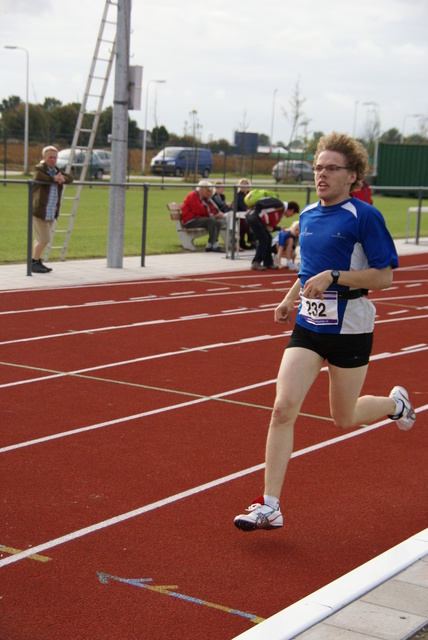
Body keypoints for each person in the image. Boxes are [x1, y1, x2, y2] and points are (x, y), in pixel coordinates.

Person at [234, 131, 416, 532]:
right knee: (282, 409)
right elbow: (307, 271)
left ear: (353, 176)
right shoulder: (310, 217)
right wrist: (289, 297)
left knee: (344, 417)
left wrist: (335, 276)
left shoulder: (364, 216)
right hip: (308, 326)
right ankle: (269, 505)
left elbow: (384, 277)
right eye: (318, 167)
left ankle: (393, 405)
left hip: (350, 328)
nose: (322, 174)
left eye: (332, 168)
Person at [32, 145, 73, 273]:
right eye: (50, 157)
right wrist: (53, 179)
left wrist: (61, 178)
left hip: (51, 210)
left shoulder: (56, 170)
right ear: (44, 158)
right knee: (45, 238)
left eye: (55, 158)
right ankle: (33, 262)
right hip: (40, 210)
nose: (53, 160)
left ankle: (36, 261)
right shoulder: (40, 169)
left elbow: (70, 178)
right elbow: (38, 177)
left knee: (40, 239)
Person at [245, 195, 300, 271]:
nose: (291, 216)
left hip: (254, 217)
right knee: (263, 239)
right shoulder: (280, 208)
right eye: (293, 214)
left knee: (269, 238)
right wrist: (277, 228)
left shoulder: (280, 207)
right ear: (292, 210)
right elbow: (268, 224)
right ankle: (256, 262)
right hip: (255, 218)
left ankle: (268, 262)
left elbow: (269, 225)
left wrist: (279, 228)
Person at [181, 180, 225, 252]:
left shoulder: (202, 197)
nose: (209, 192)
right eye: (207, 190)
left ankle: (210, 245)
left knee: (218, 222)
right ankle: (214, 244)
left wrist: (215, 214)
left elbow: (209, 209)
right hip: (191, 221)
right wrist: (213, 216)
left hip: (197, 219)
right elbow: (200, 210)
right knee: (211, 220)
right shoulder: (193, 195)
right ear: (201, 188)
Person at [236, 178, 255, 250]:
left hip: (250, 214)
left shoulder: (251, 195)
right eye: (242, 184)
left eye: (245, 184)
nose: (243, 186)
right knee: (245, 223)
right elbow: (241, 206)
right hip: (240, 215)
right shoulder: (238, 195)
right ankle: (244, 242)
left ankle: (253, 242)